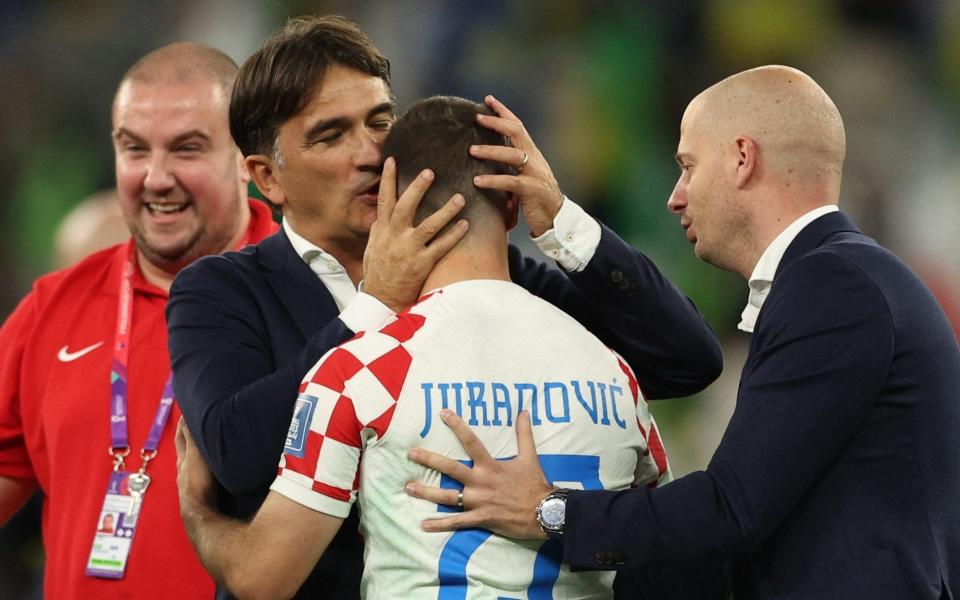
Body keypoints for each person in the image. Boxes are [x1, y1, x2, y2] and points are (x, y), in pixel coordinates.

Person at [167, 15, 722, 600]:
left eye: (380, 122)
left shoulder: (502, 280)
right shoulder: (220, 292)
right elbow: (236, 455)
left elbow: (684, 360)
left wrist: (565, 222)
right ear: (266, 178)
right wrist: (373, 307)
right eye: (331, 135)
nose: (368, 153)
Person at [405, 65, 960, 599]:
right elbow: (754, 534)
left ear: (743, 158)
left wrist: (547, 510)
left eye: (689, 166)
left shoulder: (834, 286)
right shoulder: (847, 278)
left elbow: (731, 510)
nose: (675, 195)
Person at [0, 42, 279, 599]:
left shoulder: (309, 299)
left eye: (186, 149)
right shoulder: (53, 307)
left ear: (247, 158)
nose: (155, 178)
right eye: (134, 149)